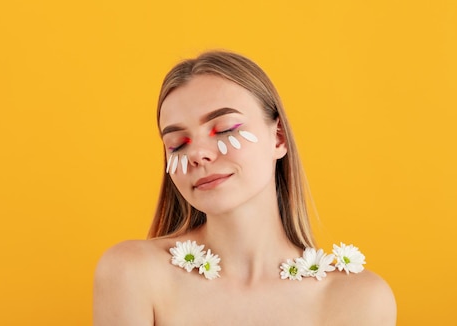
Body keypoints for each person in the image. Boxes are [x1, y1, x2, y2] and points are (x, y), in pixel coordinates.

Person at [93, 50, 396, 325]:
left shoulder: (359, 298)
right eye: (177, 144)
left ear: (278, 138)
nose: (198, 154)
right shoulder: (132, 273)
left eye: (224, 129)